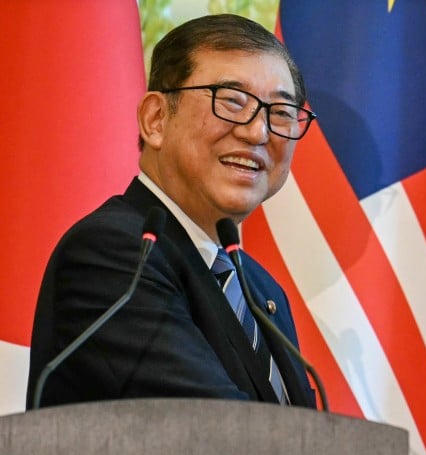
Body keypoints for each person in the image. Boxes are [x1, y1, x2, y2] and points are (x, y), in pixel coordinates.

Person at [27, 14, 317, 408]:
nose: (258, 132)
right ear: (156, 119)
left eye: (281, 113)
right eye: (232, 101)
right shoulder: (111, 256)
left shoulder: (262, 291)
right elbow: (221, 433)